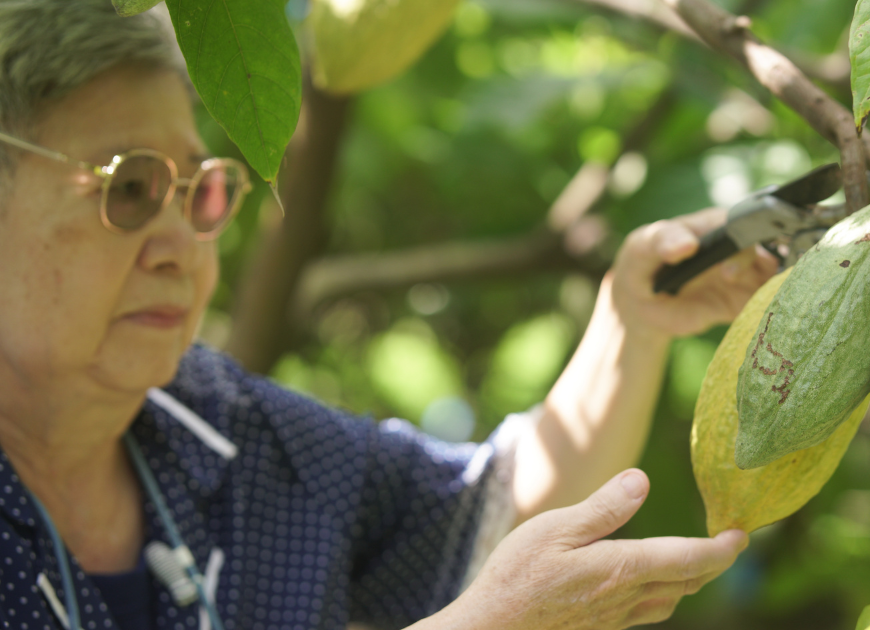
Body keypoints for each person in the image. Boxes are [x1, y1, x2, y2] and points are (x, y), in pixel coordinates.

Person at [0, 2, 778, 629]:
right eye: (130, 187)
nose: (181, 247)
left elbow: (487, 510)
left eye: (199, 193)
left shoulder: (232, 433)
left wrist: (628, 324)